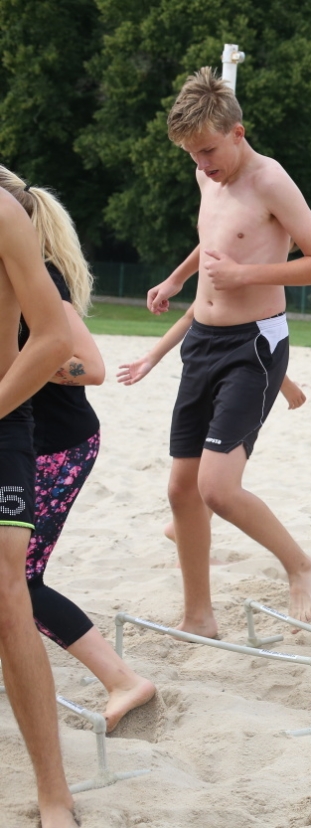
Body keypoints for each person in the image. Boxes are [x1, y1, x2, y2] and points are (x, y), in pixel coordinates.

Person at [145, 67, 311, 637]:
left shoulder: (270, 180)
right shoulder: (209, 172)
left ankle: (301, 565)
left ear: (237, 132)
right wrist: (179, 279)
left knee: (217, 489)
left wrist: (246, 274)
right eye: (192, 156)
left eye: (208, 151)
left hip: (253, 344)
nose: (202, 165)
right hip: (201, 341)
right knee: (181, 490)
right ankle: (199, 617)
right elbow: (215, 238)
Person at [3, 168, 159, 733]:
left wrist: (36, 364)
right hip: (26, 439)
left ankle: (122, 680)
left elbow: (90, 367)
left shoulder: (40, 277)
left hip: (56, 446)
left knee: (19, 580)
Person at [0, 181, 77, 827]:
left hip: (2, 421)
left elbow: (55, 337)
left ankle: (54, 797)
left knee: (8, 595)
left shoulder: (3, 213)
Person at [116, 303, 306, 546]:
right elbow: (199, 319)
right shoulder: (228, 277)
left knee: (212, 465)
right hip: (218, 369)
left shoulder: (246, 277)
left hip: (229, 367)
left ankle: (186, 531)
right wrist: (151, 357)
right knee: (212, 468)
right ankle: (188, 531)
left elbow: (254, 336)